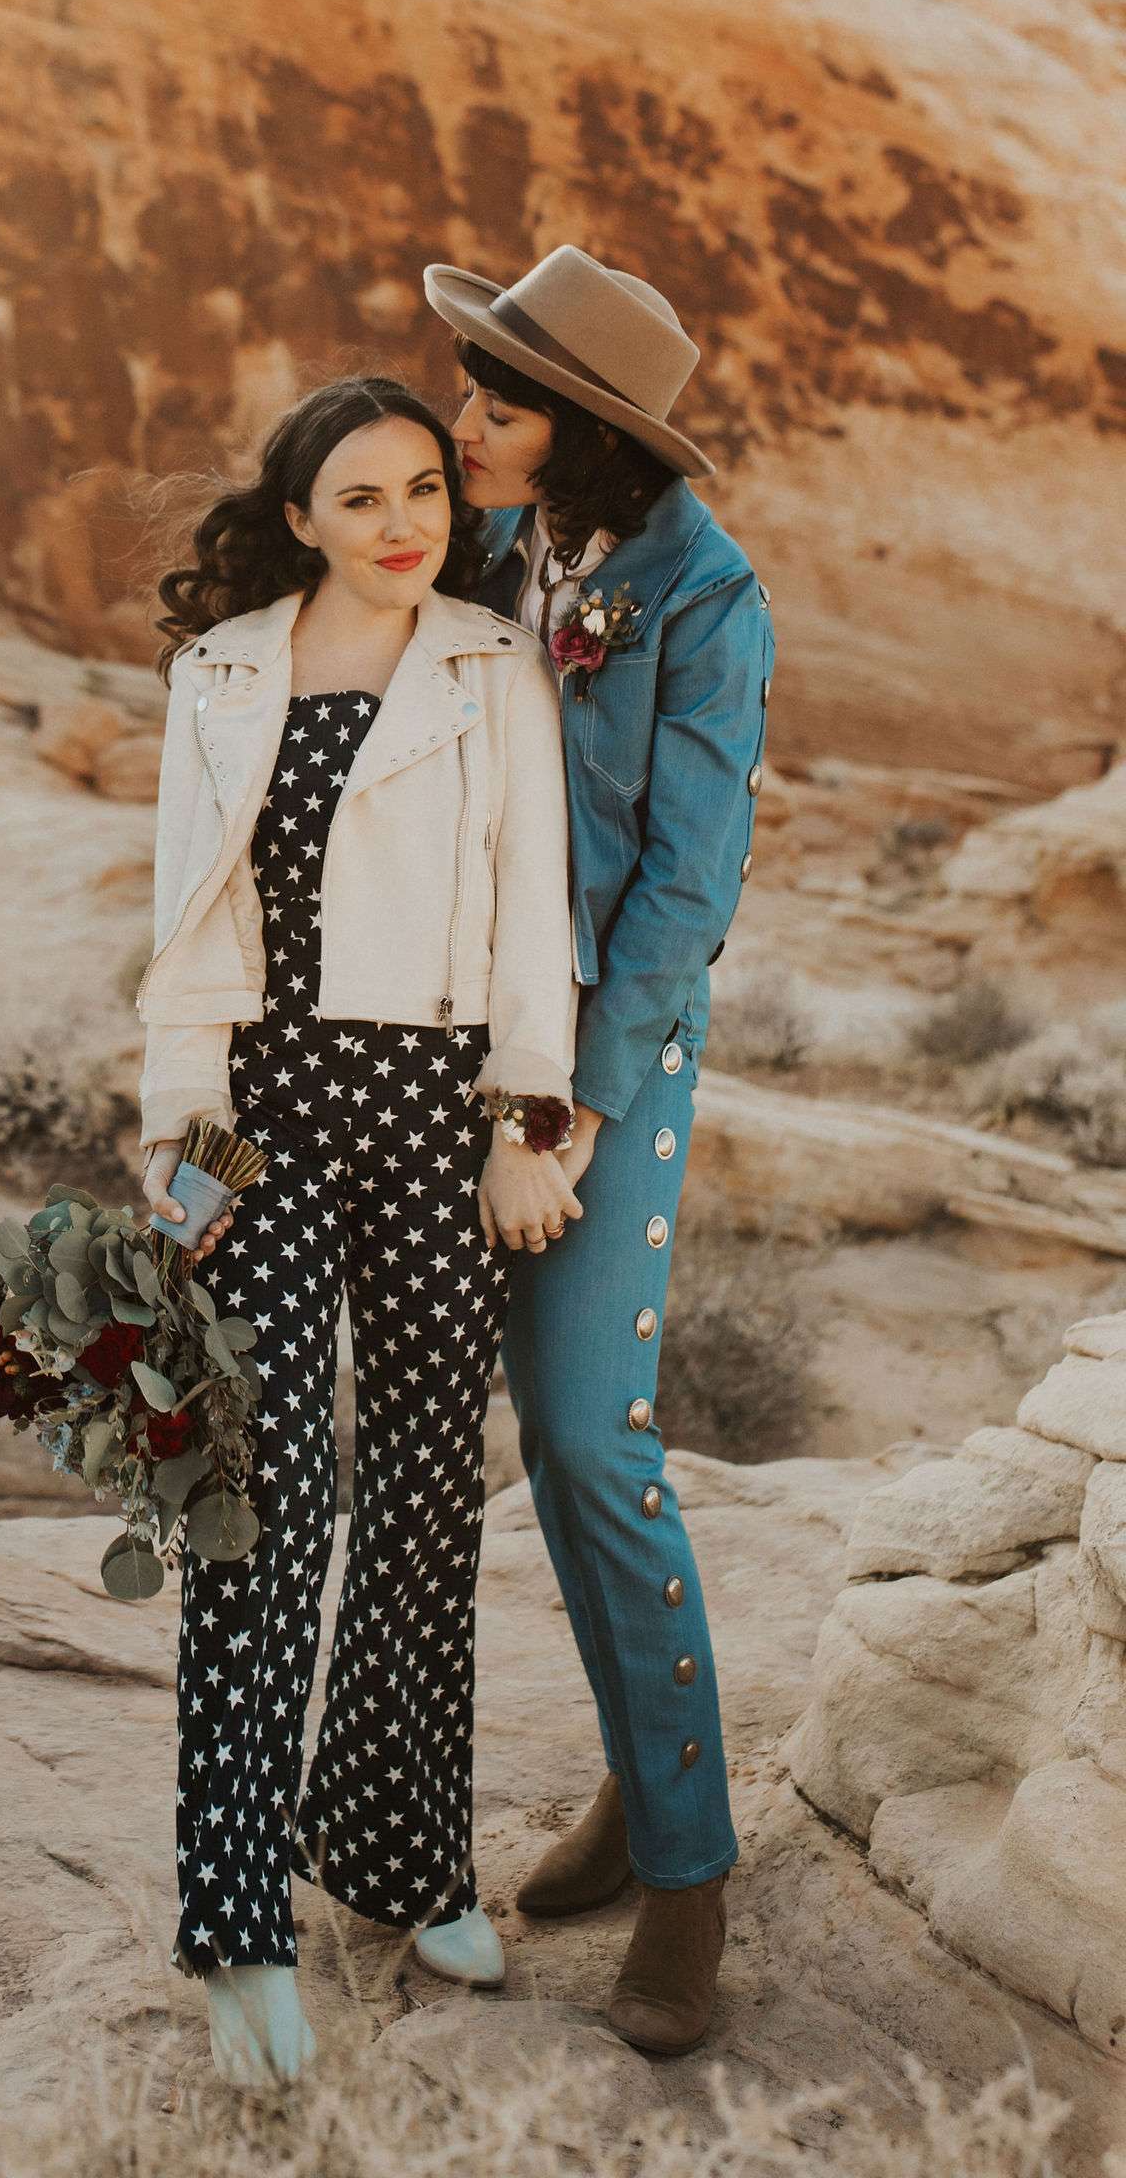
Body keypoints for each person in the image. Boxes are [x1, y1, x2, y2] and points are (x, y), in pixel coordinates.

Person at [134, 372, 577, 2088]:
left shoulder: (492, 660)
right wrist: (179, 1159)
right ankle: (237, 1920)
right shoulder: (223, 668)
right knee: (254, 1492)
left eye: (425, 492)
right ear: (300, 518)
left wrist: (527, 1124)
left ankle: (401, 1856)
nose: (405, 526)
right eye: (363, 499)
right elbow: (188, 924)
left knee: (422, 1485)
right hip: (255, 1106)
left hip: (435, 1099)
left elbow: (532, 908)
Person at [423, 243, 773, 2058]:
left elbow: (688, 894)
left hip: (603, 1056)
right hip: (461, 1028)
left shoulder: (707, 598)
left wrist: (571, 1111)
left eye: (497, 398)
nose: (464, 417)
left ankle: (690, 1866)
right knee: (529, 1458)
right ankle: (641, 1787)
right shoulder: (499, 547)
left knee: (588, 1433)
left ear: (583, 428)